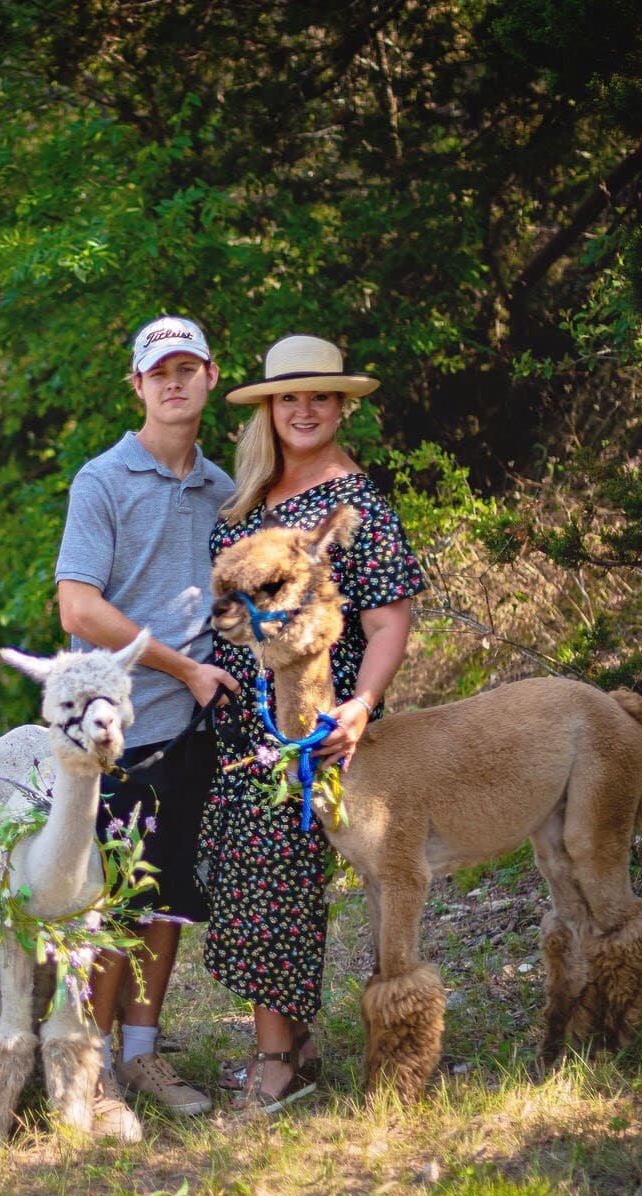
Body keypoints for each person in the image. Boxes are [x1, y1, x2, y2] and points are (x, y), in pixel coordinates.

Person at [197, 334, 426, 1113]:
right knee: (258, 880)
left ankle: (274, 1061)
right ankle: (296, 1041)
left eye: (319, 397)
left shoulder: (353, 508)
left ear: (340, 406)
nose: (303, 410)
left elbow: (389, 622)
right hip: (240, 721)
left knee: (276, 879)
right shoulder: (245, 504)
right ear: (268, 407)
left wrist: (360, 707)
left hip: (316, 722)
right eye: (289, 397)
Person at [54, 316, 239, 1136]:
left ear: (208, 378)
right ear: (136, 385)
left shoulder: (222, 488)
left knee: (163, 900)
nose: (172, 383)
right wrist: (183, 667)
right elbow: (79, 607)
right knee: (110, 901)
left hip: (195, 726)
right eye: (156, 372)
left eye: (186, 369)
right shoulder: (103, 480)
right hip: (113, 729)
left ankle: (140, 1050)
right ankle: (89, 1068)